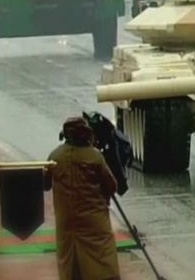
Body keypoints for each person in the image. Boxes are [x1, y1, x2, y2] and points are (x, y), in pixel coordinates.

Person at [45, 117, 121, 280]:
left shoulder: (55, 156)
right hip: (94, 222)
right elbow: (112, 186)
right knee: (102, 264)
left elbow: (45, 184)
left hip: (67, 223)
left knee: (71, 265)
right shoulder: (94, 156)